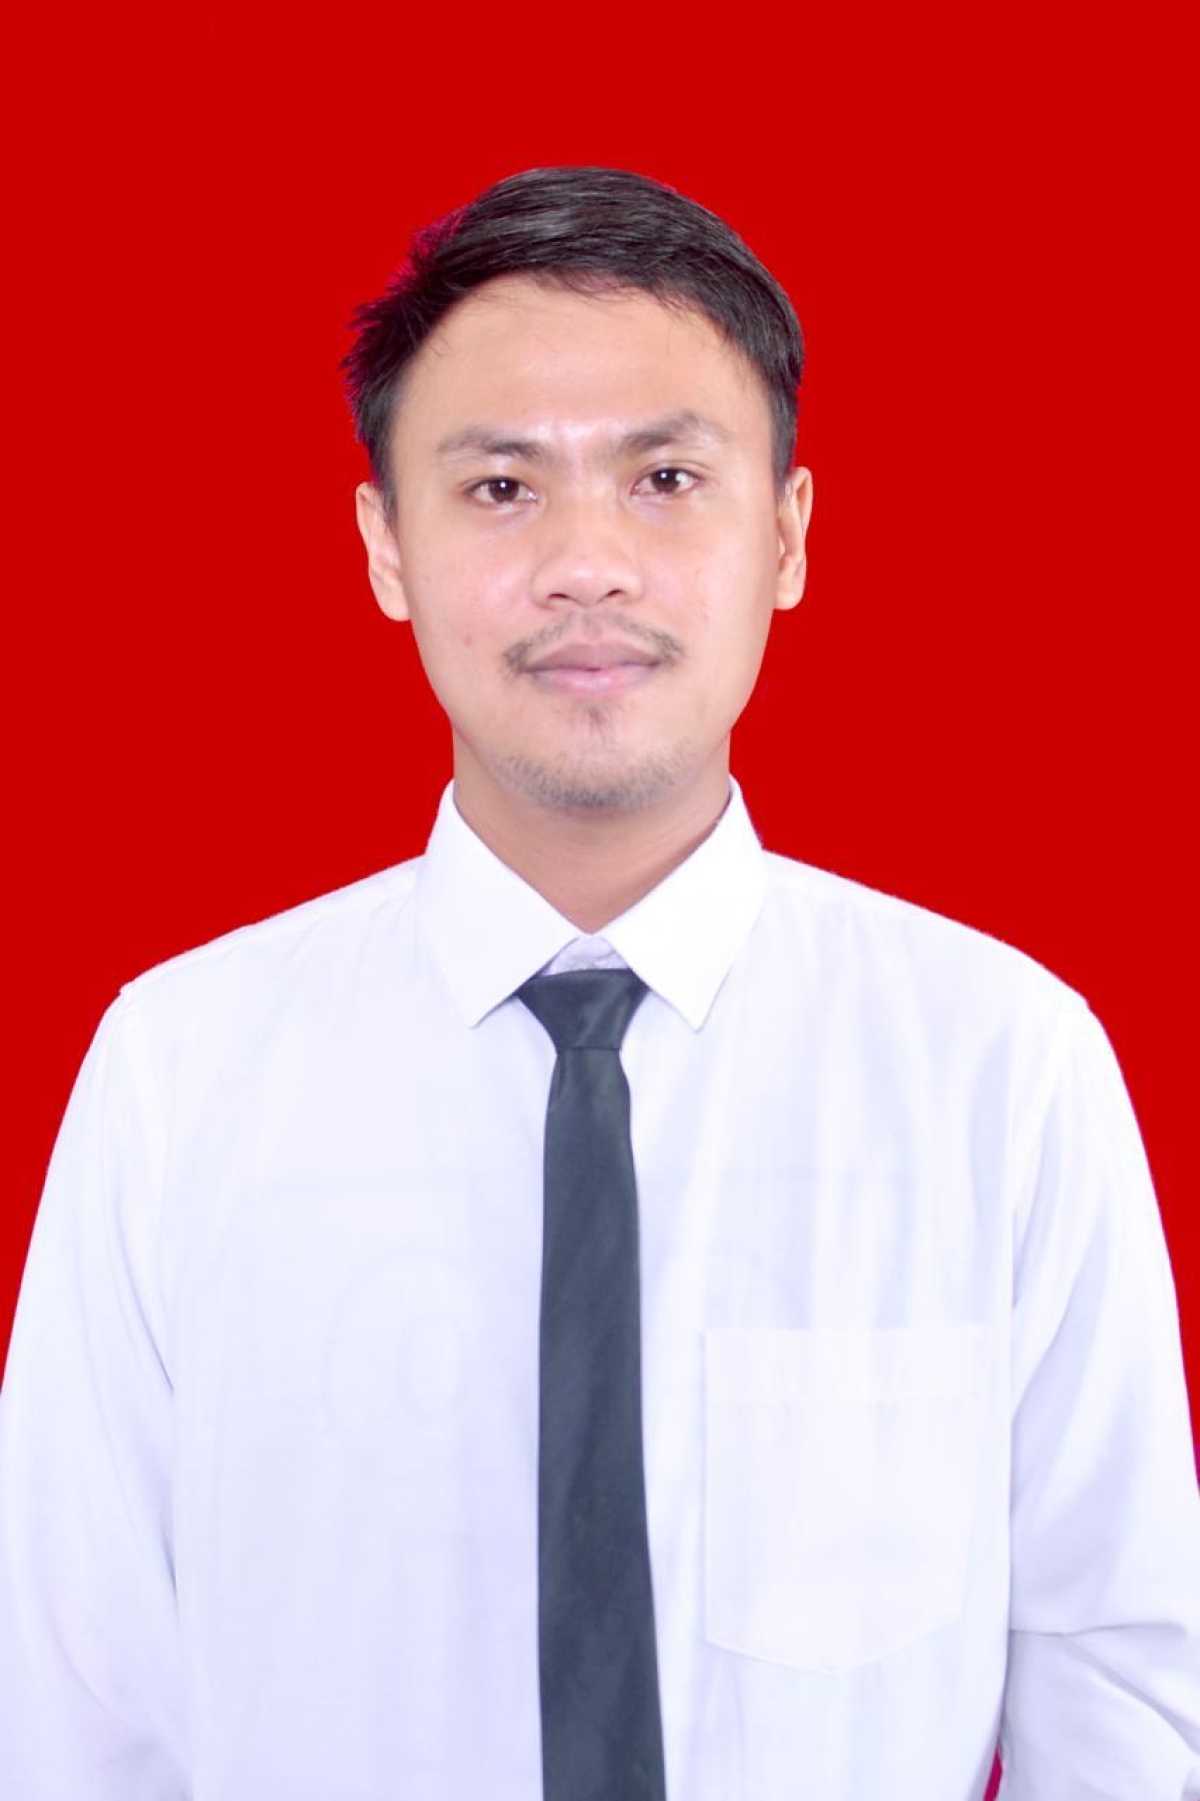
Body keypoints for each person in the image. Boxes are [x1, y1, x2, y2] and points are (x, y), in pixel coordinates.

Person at [1, 164, 1198, 1801]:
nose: (587, 564)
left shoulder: (1002, 1065)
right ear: (385, 547)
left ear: (786, 534)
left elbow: (1121, 1687)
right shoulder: (178, 1072)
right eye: (501, 487)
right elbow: (71, 1698)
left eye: (666, 478)